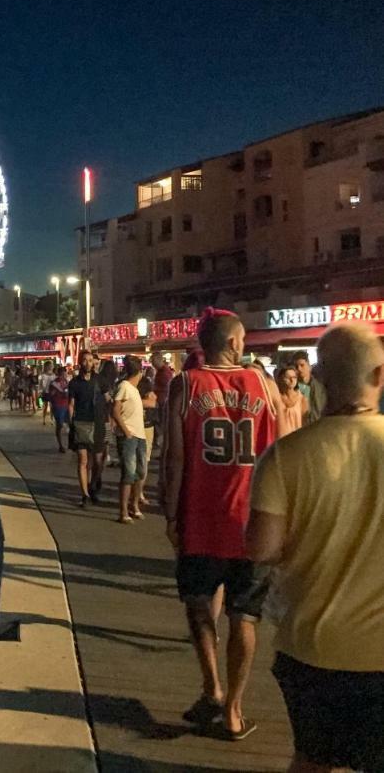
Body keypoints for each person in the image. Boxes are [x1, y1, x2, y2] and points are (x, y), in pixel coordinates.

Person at [247, 323, 384, 773]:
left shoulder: (285, 456)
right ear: (379, 376)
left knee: (313, 758)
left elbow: (262, 549)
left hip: (312, 647)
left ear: (319, 378)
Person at [163, 309, 280, 741]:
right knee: (244, 617)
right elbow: (281, 452)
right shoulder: (265, 387)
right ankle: (233, 710)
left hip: (200, 519)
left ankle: (211, 685)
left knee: (198, 605)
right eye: (243, 339)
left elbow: (174, 459)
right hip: (252, 522)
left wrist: (171, 514)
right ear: (232, 343)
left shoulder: (186, 385)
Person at [111, 354, 147, 523]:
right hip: (129, 436)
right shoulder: (124, 387)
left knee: (140, 472)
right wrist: (126, 431)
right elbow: (115, 410)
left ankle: (134, 505)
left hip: (140, 435)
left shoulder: (134, 390)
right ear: (139, 372)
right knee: (128, 474)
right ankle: (123, 511)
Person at [67, 350, 99, 507]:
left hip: (96, 424)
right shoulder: (74, 383)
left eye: (90, 360)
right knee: (82, 460)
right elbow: (71, 404)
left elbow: (107, 398)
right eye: (85, 360)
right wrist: (71, 423)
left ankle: (91, 488)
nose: (88, 363)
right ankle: (84, 494)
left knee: (93, 462)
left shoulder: (98, 381)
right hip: (80, 423)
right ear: (80, 362)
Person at [91, 359, 118, 499]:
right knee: (102, 451)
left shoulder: (99, 382)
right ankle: (97, 478)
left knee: (98, 454)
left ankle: (96, 479)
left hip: (101, 420)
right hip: (107, 420)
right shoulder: (113, 385)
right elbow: (111, 403)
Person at [136, 372, 157, 507]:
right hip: (144, 426)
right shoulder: (126, 384)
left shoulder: (126, 384)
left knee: (140, 462)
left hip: (143, 425)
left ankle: (138, 493)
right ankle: (138, 493)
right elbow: (152, 402)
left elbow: (153, 402)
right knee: (143, 462)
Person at [273, 364, 309, 438]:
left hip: (297, 439)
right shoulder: (276, 398)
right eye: (288, 377)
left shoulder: (302, 398)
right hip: (280, 440)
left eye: (294, 377)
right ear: (280, 379)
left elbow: (305, 421)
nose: (292, 380)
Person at [291, 352, 327, 423]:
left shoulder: (320, 388)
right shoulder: (292, 389)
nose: (299, 369)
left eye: (302, 365)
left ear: (309, 367)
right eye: (296, 366)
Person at [48, 365, 71, 453]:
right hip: (58, 406)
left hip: (66, 405)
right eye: (62, 374)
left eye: (65, 374)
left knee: (70, 424)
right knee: (59, 426)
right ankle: (61, 445)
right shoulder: (54, 383)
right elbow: (51, 395)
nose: (64, 376)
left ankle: (70, 444)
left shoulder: (66, 382)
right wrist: (58, 393)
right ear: (59, 374)